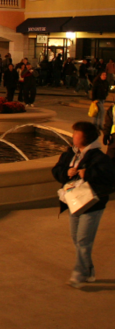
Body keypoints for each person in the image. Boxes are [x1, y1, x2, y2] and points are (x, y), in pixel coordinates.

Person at [52, 121, 115, 288]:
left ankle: (79, 274)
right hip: (74, 202)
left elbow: (110, 178)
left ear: (85, 137)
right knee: (76, 238)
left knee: (83, 240)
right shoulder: (69, 154)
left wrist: (88, 173)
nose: (73, 136)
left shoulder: (99, 157)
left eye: (76, 134)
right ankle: (88, 269)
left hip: (92, 204)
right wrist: (67, 172)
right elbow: (56, 171)